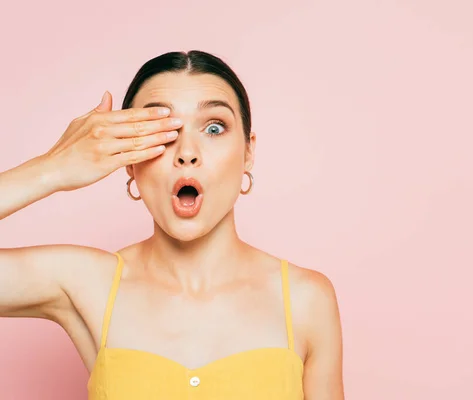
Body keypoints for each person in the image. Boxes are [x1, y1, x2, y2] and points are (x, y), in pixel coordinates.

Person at [0, 50, 344, 399]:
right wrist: (53, 169)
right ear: (130, 162)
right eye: (161, 133)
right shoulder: (89, 285)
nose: (187, 152)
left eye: (214, 128)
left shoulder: (305, 299)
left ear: (248, 152)